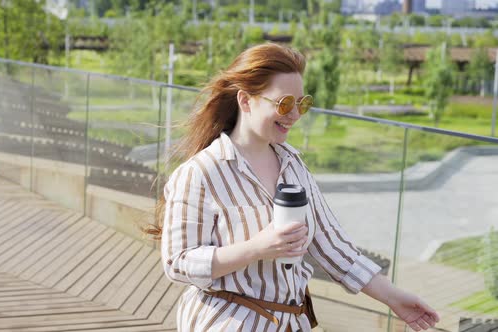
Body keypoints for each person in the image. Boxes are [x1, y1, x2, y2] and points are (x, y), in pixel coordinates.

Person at [145, 43, 440, 332]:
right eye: (284, 103)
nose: (295, 114)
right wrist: (256, 248)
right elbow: (178, 262)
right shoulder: (200, 173)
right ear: (246, 101)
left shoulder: (294, 166)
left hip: (291, 322)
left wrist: (394, 298)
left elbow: (333, 247)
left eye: (302, 104)